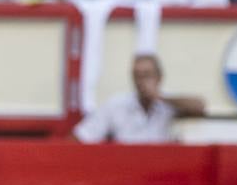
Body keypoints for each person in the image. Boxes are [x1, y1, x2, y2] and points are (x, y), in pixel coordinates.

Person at [73, 53, 205, 144]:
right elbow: (81, 136)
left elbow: (199, 106)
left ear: (159, 77)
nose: (141, 81)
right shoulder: (116, 104)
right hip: (125, 168)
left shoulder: (168, 102)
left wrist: (159, 97)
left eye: (147, 75)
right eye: (137, 76)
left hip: (160, 169)